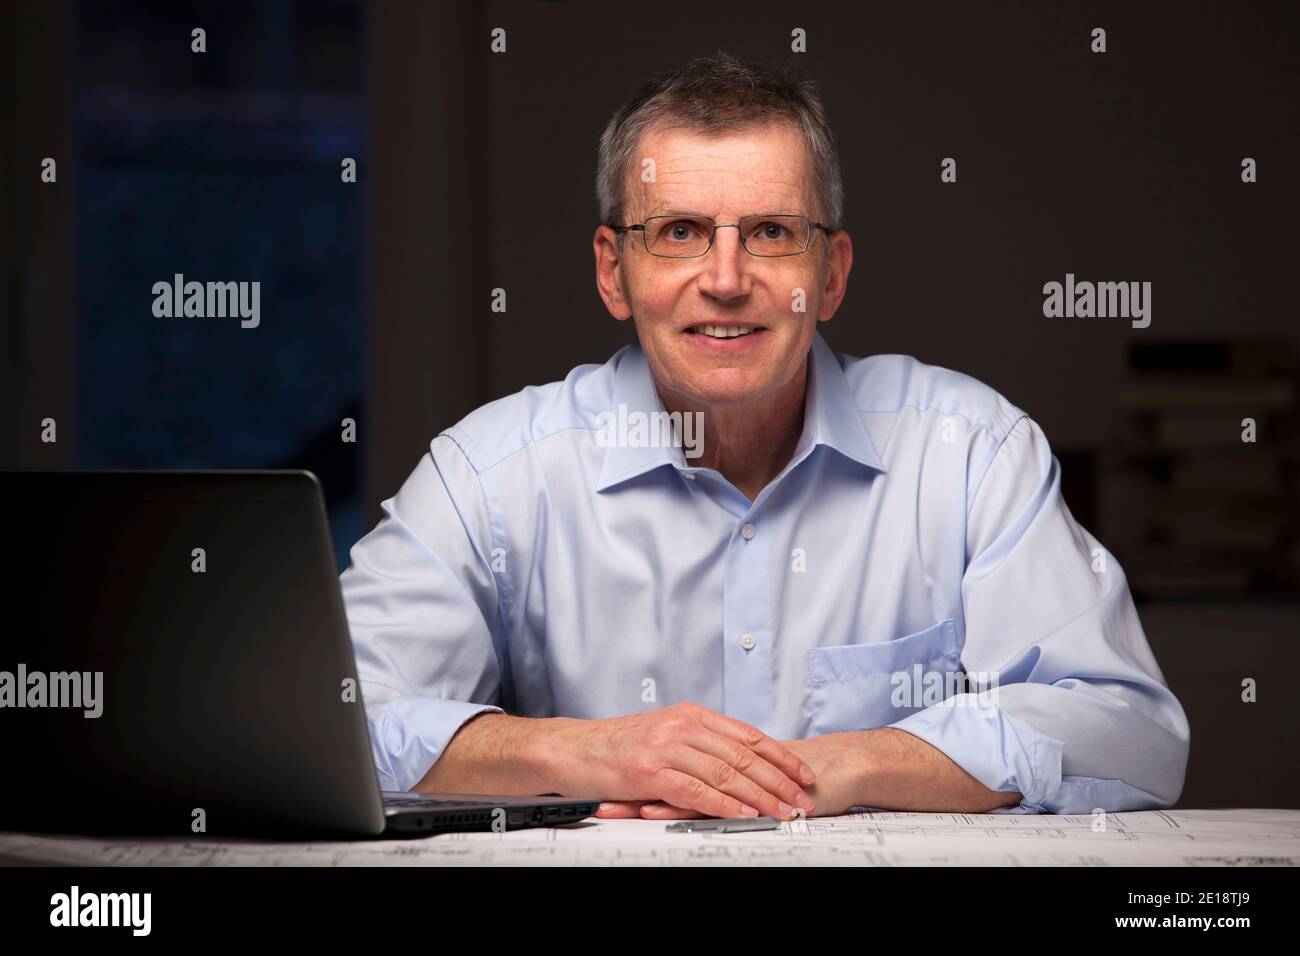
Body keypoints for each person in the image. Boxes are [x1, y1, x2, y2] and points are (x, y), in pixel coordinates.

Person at [339, 51, 1189, 820]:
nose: (725, 279)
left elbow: (1130, 732)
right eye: (678, 232)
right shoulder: (489, 476)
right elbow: (331, 714)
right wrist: (584, 752)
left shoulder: (973, 453)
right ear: (613, 271)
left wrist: (837, 769)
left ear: (831, 275)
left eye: (772, 234)